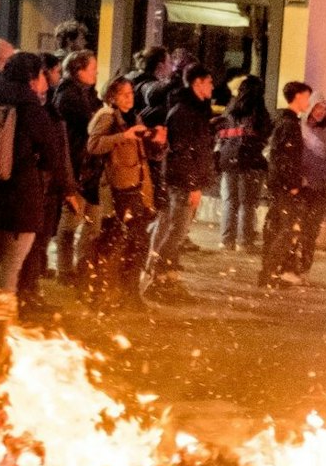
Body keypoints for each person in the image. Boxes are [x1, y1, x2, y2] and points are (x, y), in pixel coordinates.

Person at [0, 52, 84, 301]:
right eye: (42, 75)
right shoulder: (30, 109)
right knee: (11, 263)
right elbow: (53, 154)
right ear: (32, 78)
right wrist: (65, 188)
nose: (45, 81)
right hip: (20, 196)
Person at [83, 77, 156, 308]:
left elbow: (141, 152)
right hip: (117, 189)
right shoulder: (107, 117)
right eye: (124, 94)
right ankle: (104, 291)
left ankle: (126, 291)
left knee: (135, 241)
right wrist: (124, 136)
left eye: (131, 93)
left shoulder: (132, 117)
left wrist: (156, 140)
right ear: (112, 97)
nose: (129, 97)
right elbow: (93, 145)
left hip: (135, 186)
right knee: (115, 241)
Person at [144, 64, 215, 299]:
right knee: (176, 231)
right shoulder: (184, 112)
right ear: (197, 83)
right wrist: (193, 184)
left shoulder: (195, 110)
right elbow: (182, 152)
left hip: (186, 180)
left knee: (176, 231)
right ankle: (157, 277)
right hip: (182, 182)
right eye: (209, 82)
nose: (212, 87)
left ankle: (167, 276)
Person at [52, 50, 104, 283]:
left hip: (91, 167)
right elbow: (92, 124)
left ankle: (83, 266)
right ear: (78, 70)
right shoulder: (69, 96)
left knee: (93, 223)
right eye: (92, 69)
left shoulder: (88, 93)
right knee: (71, 222)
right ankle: (65, 270)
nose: (96, 73)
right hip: (77, 166)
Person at [260, 81, 315, 287]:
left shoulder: (284, 121)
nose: (308, 102)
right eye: (306, 97)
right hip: (284, 185)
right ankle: (271, 271)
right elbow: (284, 157)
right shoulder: (289, 124)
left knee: (279, 227)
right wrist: (292, 183)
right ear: (298, 97)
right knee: (285, 229)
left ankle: (271, 271)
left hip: (279, 183)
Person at [215, 76, 272, 251]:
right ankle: (244, 241)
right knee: (248, 203)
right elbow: (265, 135)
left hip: (228, 160)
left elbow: (220, 134)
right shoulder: (259, 112)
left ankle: (227, 240)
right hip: (251, 161)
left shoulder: (230, 110)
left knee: (229, 200)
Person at [293, 100, 326, 279]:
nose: (321, 112)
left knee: (311, 230)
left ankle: (304, 268)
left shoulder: (322, 132)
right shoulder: (298, 128)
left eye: (325, 110)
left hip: (319, 187)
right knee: (298, 228)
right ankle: (292, 267)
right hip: (302, 186)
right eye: (318, 107)